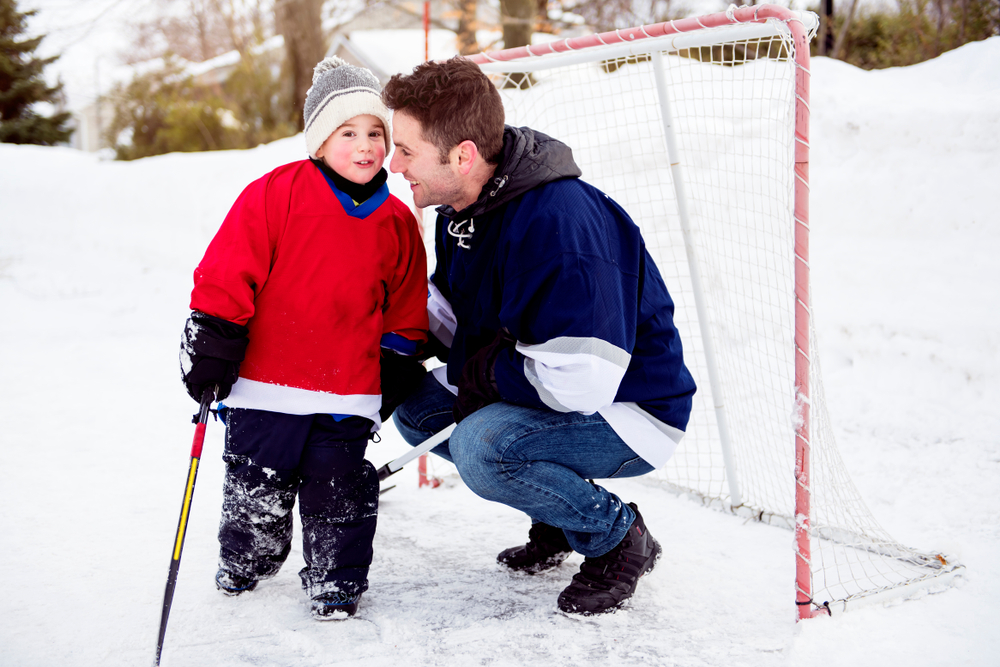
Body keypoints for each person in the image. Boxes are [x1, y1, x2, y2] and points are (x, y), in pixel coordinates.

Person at [382, 57, 697, 616]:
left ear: (463, 155)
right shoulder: (464, 210)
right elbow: (458, 322)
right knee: (418, 409)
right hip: (550, 386)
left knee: (484, 447)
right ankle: (556, 517)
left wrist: (478, 374)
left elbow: (581, 382)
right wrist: (391, 341)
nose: (393, 163)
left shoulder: (559, 222)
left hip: (632, 412)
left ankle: (615, 536)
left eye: (407, 150)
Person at [178, 56, 428, 620]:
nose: (364, 145)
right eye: (348, 132)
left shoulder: (396, 221)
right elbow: (227, 272)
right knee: (257, 488)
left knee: (339, 494)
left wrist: (397, 360)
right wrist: (213, 342)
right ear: (318, 140)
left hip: (348, 390)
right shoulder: (275, 194)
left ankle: (336, 580)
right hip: (267, 385)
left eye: (375, 133)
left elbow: (407, 305)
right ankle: (248, 558)